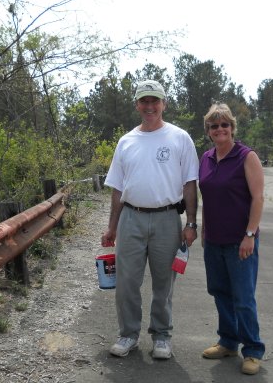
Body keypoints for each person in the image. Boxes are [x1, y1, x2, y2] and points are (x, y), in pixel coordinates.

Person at [101, 79, 199, 359]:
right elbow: (118, 188)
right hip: (131, 218)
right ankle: (128, 334)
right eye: (144, 101)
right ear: (137, 105)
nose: (149, 106)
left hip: (167, 219)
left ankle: (161, 335)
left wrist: (191, 223)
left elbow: (190, 183)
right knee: (127, 281)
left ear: (164, 104)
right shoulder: (126, 141)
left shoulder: (179, 138)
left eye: (155, 101)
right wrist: (112, 227)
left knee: (163, 282)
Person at [198, 103, 265, 375]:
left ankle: (252, 350)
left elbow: (258, 198)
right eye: (214, 126)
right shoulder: (206, 158)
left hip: (241, 241)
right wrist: (203, 229)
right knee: (220, 292)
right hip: (214, 239)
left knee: (243, 297)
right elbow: (207, 197)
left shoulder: (246, 157)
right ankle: (228, 341)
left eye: (224, 124)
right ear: (209, 131)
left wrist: (250, 234)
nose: (220, 129)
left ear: (232, 127)